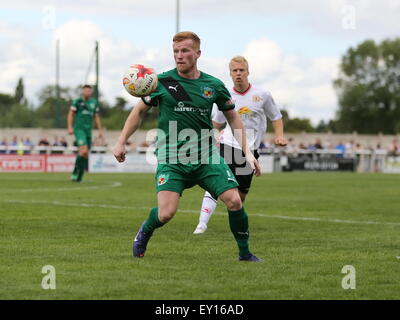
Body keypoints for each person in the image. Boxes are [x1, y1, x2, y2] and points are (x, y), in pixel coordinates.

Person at [113, 31, 262, 262]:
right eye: (175, 51)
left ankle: (245, 253)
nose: (179, 56)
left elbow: (233, 118)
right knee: (166, 213)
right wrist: (121, 141)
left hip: (207, 157)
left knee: (234, 200)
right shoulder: (160, 82)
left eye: (184, 51)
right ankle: (144, 231)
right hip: (173, 158)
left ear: (197, 53)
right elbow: (138, 112)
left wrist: (247, 153)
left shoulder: (213, 85)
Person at [193, 56, 287, 234]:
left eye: (241, 70)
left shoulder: (263, 95)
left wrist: (280, 136)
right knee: (216, 182)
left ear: (248, 72)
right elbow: (216, 123)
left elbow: (276, 117)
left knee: (240, 196)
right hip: (227, 144)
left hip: (250, 150)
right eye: (234, 71)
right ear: (230, 74)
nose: (238, 74)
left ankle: (235, 225)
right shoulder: (225, 95)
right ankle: (201, 224)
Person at [67, 84, 103, 182]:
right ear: (83, 92)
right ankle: (75, 173)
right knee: (83, 151)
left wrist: (100, 130)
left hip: (88, 131)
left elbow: (96, 116)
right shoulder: (77, 101)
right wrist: (70, 127)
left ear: (91, 92)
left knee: (85, 154)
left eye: (89, 91)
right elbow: (71, 114)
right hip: (79, 129)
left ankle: (79, 176)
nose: (87, 92)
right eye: (85, 91)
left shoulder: (94, 102)